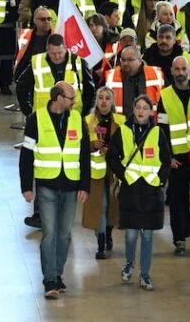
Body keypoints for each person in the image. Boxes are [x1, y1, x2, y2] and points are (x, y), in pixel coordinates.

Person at [18, 81, 90, 299]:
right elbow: (27, 155)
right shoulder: (35, 119)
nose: (74, 101)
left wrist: (84, 186)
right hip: (46, 185)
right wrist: (26, 186)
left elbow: (84, 154)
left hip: (71, 185)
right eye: (71, 98)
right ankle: (49, 279)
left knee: (65, 234)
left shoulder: (77, 119)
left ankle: (57, 274)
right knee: (49, 233)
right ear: (58, 98)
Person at [107, 94, 171, 291]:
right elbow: (112, 157)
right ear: (133, 110)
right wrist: (124, 175)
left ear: (151, 111)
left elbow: (167, 159)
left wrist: (160, 180)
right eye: (138, 107)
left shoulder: (158, 132)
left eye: (145, 108)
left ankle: (145, 274)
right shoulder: (123, 131)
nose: (141, 111)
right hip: (131, 190)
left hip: (151, 192)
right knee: (132, 235)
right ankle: (129, 263)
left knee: (149, 236)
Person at [160, 56, 190, 256]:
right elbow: (162, 130)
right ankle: (179, 239)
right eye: (177, 69)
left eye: (183, 69)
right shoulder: (164, 96)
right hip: (177, 158)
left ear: (189, 70)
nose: (180, 72)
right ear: (171, 71)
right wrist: (167, 157)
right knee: (177, 200)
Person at [81, 87, 123, 260]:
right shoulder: (88, 121)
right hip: (95, 173)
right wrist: (93, 146)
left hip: (114, 173)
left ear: (113, 102)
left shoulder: (121, 121)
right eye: (101, 98)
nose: (104, 101)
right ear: (96, 101)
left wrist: (111, 149)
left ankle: (108, 232)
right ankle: (101, 242)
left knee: (113, 207)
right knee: (101, 206)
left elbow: (126, 146)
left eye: (107, 98)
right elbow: (81, 147)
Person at [104, 46, 165, 118]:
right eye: (123, 60)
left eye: (130, 60)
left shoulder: (156, 74)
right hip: (120, 126)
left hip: (151, 125)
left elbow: (166, 103)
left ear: (139, 60)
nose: (126, 63)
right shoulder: (111, 77)